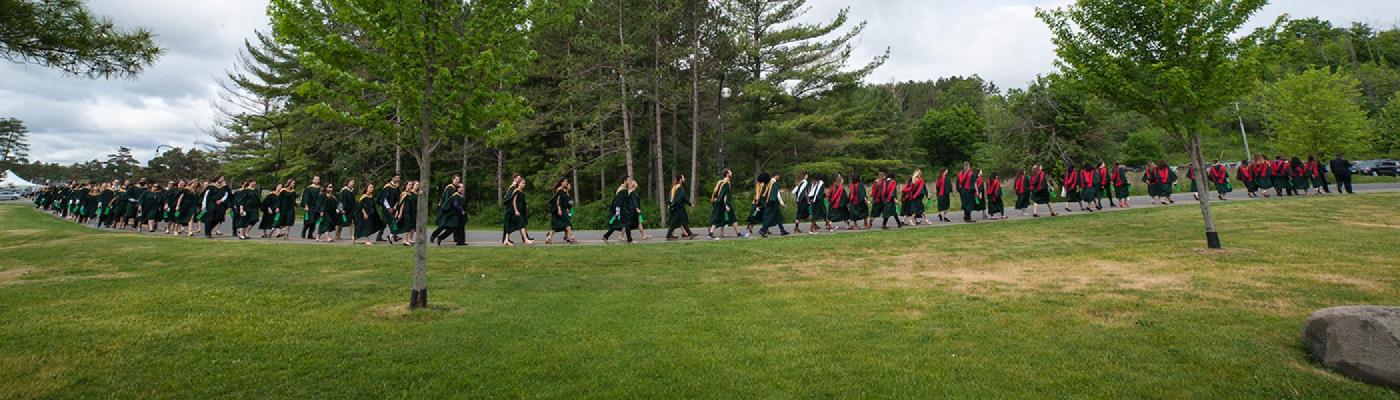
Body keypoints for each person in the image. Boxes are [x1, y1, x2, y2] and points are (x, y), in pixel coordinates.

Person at [707, 169, 743, 239]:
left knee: (719, 218)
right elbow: (725, 195)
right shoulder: (726, 183)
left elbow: (715, 191)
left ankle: (717, 233)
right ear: (727, 174)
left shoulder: (721, 182)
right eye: (730, 172)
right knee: (732, 218)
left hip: (718, 202)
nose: (731, 173)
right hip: (722, 203)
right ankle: (739, 234)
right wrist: (726, 205)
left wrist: (715, 199)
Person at [602, 177, 634, 243]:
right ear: (625, 181)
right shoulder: (621, 190)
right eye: (629, 180)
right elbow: (618, 201)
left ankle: (606, 236)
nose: (630, 181)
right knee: (626, 223)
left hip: (624, 209)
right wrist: (617, 211)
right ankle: (629, 240)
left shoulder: (624, 189)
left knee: (618, 224)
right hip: (622, 210)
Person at [757, 173, 788, 237]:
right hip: (772, 203)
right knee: (769, 217)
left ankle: (782, 230)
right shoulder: (774, 183)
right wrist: (780, 202)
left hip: (769, 202)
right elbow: (775, 195)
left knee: (778, 216)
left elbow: (764, 194)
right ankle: (762, 230)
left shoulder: (768, 184)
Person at [666, 175, 697, 240]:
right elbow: (683, 197)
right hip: (679, 207)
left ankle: (689, 234)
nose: (684, 178)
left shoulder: (674, 187)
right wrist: (690, 204)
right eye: (683, 177)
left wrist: (670, 205)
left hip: (674, 207)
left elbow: (671, 197)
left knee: (681, 221)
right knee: (678, 221)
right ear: (680, 179)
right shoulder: (680, 188)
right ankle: (669, 235)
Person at [545, 178, 575, 245]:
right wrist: (559, 208)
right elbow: (557, 200)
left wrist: (567, 208)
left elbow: (563, 200)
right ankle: (571, 238)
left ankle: (549, 238)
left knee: (555, 226)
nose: (566, 183)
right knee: (567, 223)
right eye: (565, 181)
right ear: (561, 182)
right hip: (559, 210)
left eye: (567, 181)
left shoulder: (563, 190)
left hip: (562, 209)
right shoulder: (559, 190)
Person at [392, 181, 419, 246]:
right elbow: (401, 204)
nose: (411, 186)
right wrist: (400, 213)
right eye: (409, 184)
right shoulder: (404, 193)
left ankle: (405, 240)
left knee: (408, 226)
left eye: (411, 184)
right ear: (406, 185)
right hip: (404, 212)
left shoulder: (409, 193)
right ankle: (404, 240)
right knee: (407, 226)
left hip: (409, 212)